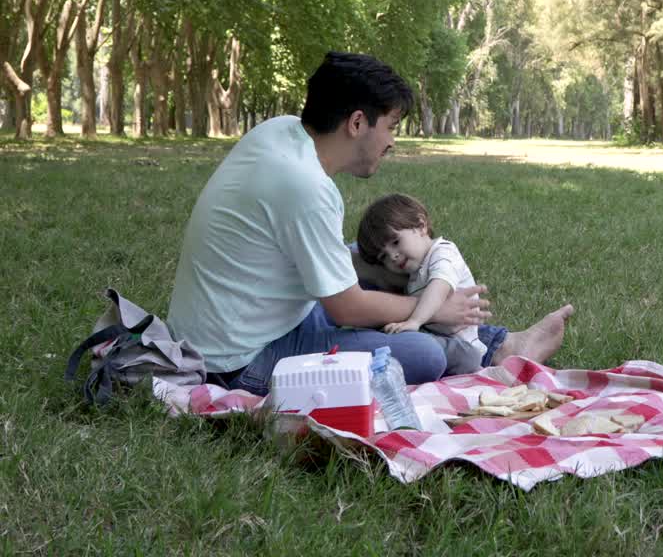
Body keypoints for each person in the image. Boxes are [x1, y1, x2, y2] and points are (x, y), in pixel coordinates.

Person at [166, 51, 570, 396]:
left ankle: (498, 341)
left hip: (244, 323)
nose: (392, 140)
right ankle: (493, 354)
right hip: (240, 362)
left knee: (383, 263)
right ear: (357, 123)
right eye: (390, 126)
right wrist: (427, 308)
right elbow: (347, 308)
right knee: (422, 354)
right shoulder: (307, 187)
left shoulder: (277, 132)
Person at [355, 193, 511, 376]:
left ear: (421, 225)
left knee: (463, 356)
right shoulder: (414, 270)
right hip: (438, 337)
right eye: (384, 257)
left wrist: (415, 321)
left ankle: (481, 372)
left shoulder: (443, 253)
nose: (393, 256)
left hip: (461, 344)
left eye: (396, 242)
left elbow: (439, 288)